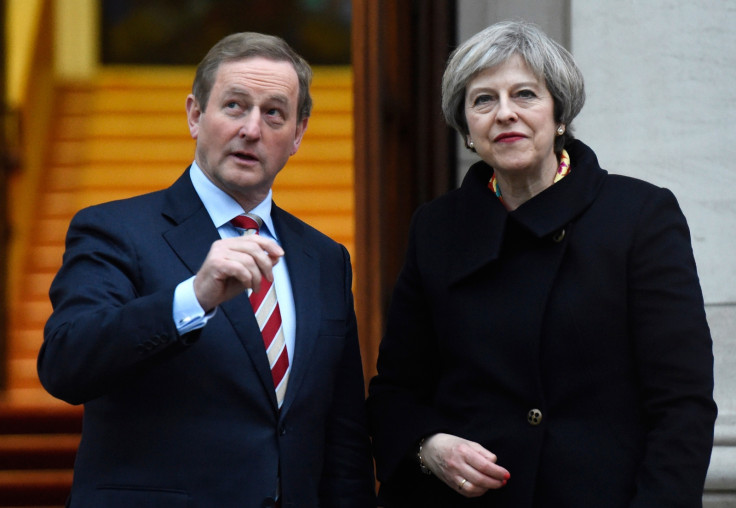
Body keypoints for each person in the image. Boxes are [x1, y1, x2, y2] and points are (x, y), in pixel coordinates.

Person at [367, 20, 716, 508]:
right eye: (483, 100)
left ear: (560, 115)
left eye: (525, 94)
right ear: (467, 129)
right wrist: (429, 447)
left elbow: (683, 406)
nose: (504, 114)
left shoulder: (640, 216)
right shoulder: (437, 228)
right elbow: (396, 392)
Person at [39, 32, 376, 508]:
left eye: (274, 113)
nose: (252, 129)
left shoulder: (325, 259)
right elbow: (66, 365)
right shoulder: (114, 230)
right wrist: (193, 299)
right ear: (196, 115)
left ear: (298, 134)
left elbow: (342, 438)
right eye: (235, 106)